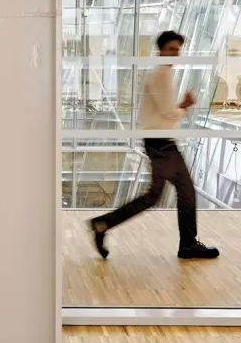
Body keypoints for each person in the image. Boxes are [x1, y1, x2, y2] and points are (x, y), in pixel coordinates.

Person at [89, 30, 220, 260]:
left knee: (155, 197)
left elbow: (163, 110)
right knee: (185, 193)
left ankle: (103, 224)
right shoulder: (161, 74)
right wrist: (185, 106)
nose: (175, 53)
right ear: (161, 50)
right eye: (171, 49)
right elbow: (169, 112)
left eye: (178, 49)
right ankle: (188, 245)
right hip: (162, 144)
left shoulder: (161, 73)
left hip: (159, 142)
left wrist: (178, 107)